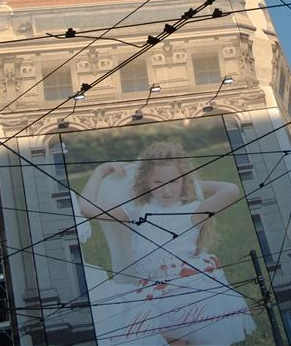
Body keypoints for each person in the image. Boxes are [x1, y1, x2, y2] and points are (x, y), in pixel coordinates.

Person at [77, 141, 258, 346]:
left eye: (173, 181)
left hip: (189, 288)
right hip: (152, 292)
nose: (166, 190)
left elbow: (231, 190)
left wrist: (196, 184)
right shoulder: (136, 211)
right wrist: (100, 172)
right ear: (147, 181)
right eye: (158, 182)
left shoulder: (194, 211)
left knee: (198, 329)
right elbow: (87, 208)